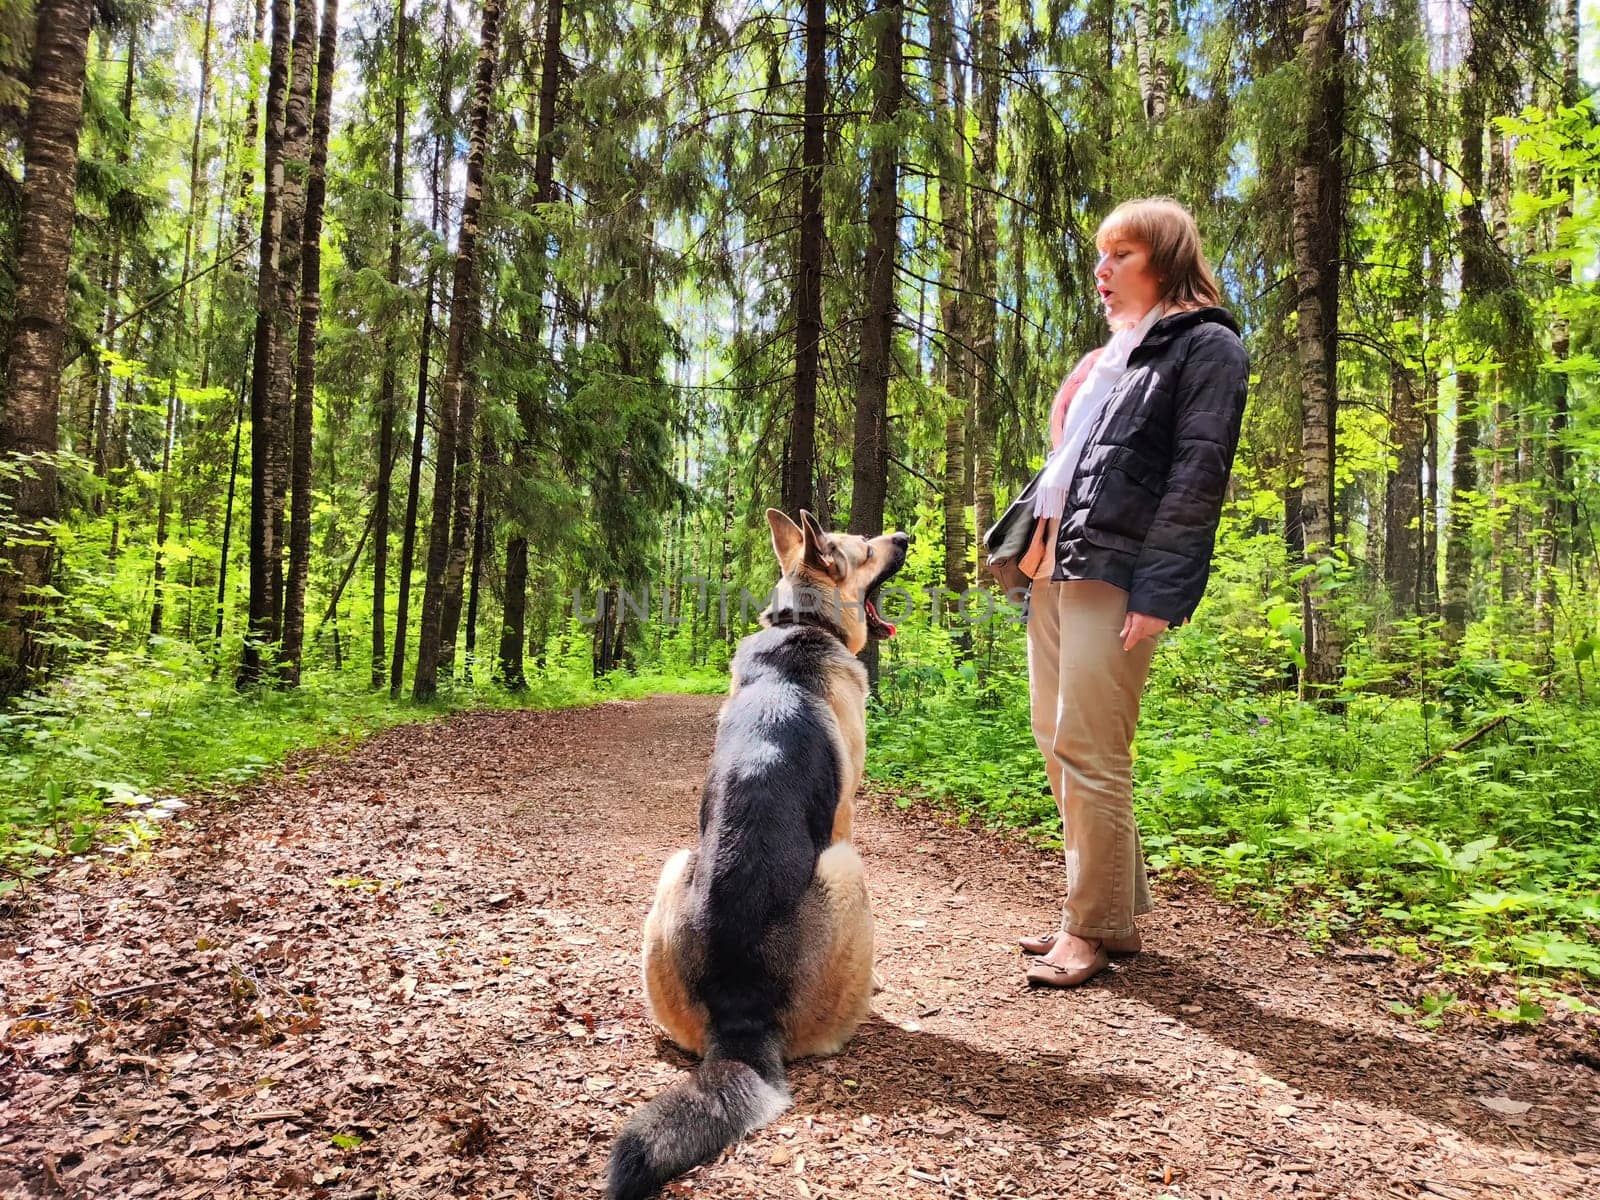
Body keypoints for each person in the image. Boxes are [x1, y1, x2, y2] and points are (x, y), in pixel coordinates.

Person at [1016, 197, 1248, 987]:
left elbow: (1196, 477)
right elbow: (1076, 466)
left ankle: (1090, 927)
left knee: (1091, 746)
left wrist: (1162, 589)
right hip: (1057, 563)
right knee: (1057, 739)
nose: (1101, 272)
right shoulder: (1119, 353)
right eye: (1099, 257)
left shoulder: (1207, 348)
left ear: (1167, 260)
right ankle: (1115, 908)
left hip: (1117, 571)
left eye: (1120, 256)